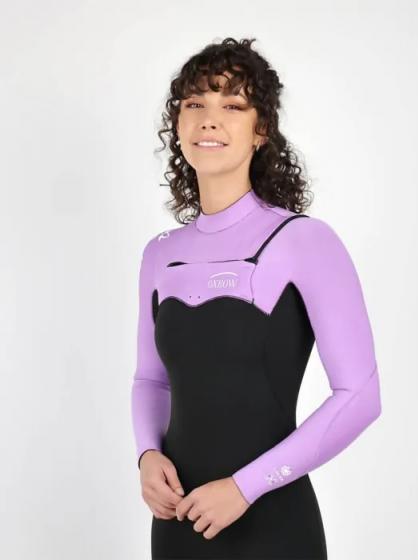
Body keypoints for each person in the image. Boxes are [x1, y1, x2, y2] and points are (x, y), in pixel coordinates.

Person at [131, 37, 382, 560]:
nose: (209, 120)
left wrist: (245, 487)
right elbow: (151, 379)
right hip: (178, 525)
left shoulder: (304, 242)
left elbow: (360, 395)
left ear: (261, 129)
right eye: (195, 103)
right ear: (178, 124)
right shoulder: (160, 254)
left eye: (233, 106)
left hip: (273, 527)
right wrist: (147, 455)